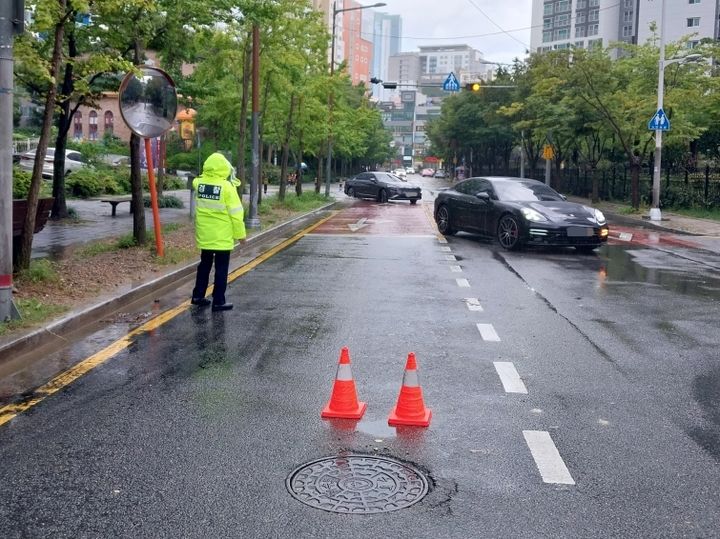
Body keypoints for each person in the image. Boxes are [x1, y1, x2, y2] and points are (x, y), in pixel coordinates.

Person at [190, 152, 246, 311]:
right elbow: (236, 213)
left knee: (204, 265)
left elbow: (196, 181)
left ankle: (198, 296)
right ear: (224, 168)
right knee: (221, 268)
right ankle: (218, 300)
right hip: (222, 236)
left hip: (205, 234)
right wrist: (240, 235)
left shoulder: (199, 184)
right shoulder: (227, 188)